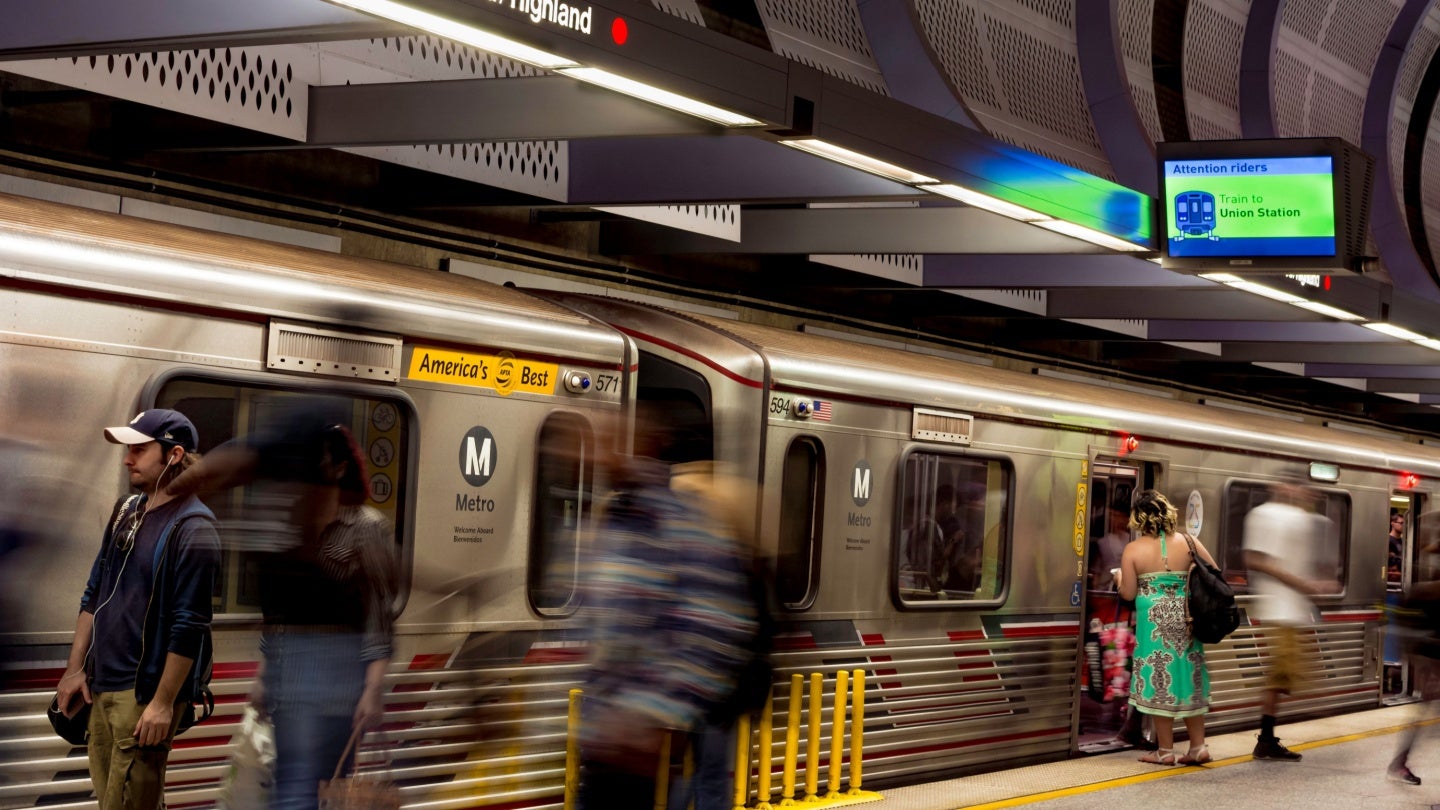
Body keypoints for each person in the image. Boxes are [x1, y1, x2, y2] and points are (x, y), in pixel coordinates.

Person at [576, 410, 757, 808]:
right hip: (619, 722)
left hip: (645, 721)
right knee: (707, 774)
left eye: (609, 445)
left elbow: (716, 618)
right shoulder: (621, 513)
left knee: (702, 775)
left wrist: (654, 711)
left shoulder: (673, 514)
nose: (597, 456)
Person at [53, 409, 220, 810]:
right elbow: (94, 592)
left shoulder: (193, 528)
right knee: (111, 800)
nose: (128, 459)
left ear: (173, 455)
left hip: (142, 693)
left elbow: (189, 625)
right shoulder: (126, 511)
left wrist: (162, 703)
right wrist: (75, 669)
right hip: (100, 686)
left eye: (139, 450)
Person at [1242, 475, 1339, 761]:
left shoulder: (1301, 518)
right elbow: (1256, 560)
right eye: (1295, 487)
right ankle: (1265, 740)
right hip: (1279, 610)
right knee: (1279, 677)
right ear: (1279, 487)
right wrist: (1304, 584)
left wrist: (1315, 584)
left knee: (1283, 678)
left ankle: (1267, 738)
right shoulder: (1263, 515)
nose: (1303, 494)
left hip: (1294, 612)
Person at [1117, 490, 1211, 766]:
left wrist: (1120, 578)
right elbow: (1213, 572)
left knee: (1159, 678)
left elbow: (1128, 593)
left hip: (1153, 625)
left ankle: (1165, 750)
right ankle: (1198, 747)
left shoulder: (1133, 550)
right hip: (1186, 619)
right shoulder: (1189, 542)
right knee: (1189, 677)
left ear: (1138, 519)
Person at [1389, 512, 1407, 587]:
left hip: (1401, 579)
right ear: (1393, 524)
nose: (1404, 526)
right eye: (1401, 523)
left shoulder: (1403, 541)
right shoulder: (1388, 541)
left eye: (1405, 523)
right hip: (1392, 579)